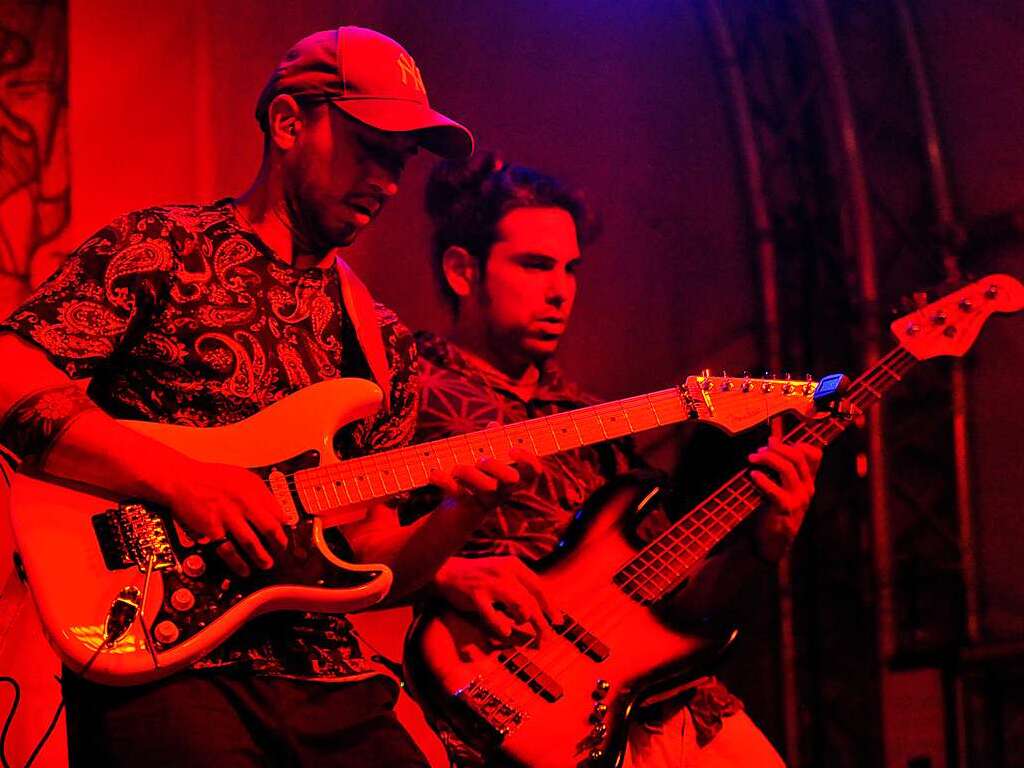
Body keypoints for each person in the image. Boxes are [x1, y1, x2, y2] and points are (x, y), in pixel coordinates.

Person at [0, 27, 535, 767]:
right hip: (161, 656)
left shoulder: (382, 343)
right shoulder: (161, 247)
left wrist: (460, 513)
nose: (387, 180)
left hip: (327, 676)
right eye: (370, 148)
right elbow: (9, 372)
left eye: (399, 162)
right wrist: (183, 482)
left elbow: (375, 560)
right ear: (289, 123)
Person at [404, 152, 823, 767]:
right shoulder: (408, 389)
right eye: (535, 265)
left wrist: (768, 539)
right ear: (463, 271)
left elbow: (671, 598)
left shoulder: (596, 418)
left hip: (656, 699)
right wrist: (444, 575)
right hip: (500, 702)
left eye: (571, 269)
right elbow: (342, 547)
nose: (560, 291)